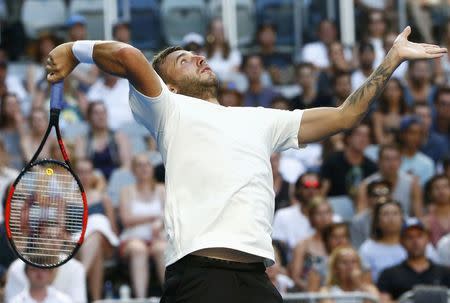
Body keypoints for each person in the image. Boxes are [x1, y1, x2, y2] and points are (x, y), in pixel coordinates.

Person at [46, 26, 446, 303]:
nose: (198, 58)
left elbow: (345, 116)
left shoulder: (262, 118)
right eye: (184, 60)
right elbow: (127, 56)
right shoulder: (166, 109)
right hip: (199, 276)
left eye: (195, 54)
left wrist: (392, 59)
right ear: (168, 84)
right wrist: (73, 50)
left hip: (257, 280)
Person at [119, 154, 166, 298]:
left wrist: (160, 222)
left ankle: (171, 297)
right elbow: (126, 219)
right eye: (139, 165)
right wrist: (154, 217)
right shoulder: (126, 191)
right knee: (139, 249)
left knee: (162, 249)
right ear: (133, 170)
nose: (144, 168)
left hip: (158, 239)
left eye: (147, 164)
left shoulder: (162, 189)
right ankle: (141, 298)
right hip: (132, 238)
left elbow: (169, 216)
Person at [76, 158, 119, 301]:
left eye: (88, 172)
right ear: (75, 173)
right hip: (76, 247)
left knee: (97, 231)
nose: (85, 176)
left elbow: (112, 230)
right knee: (96, 251)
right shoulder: (67, 198)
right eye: (81, 172)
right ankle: (96, 299)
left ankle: (78, 277)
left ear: (93, 174)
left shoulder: (103, 198)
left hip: (106, 244)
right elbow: (64, 228)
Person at [377, 218, 450, 302]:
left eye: (419, 236)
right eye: (409, 237)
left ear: (427, 239)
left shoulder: (445, 273)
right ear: (401, 241)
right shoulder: (389, 274)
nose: (415, 241)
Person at [356, 144, 423, 217]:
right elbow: (361, 216)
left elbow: (418, 215)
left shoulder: (413, 183)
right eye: (387, 159)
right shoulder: (365, 185)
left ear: (401, 162)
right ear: (378, 162)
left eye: (395, 159)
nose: (392, 163)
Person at [75, 101, 131, 180]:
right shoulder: (82, 139)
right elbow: (80, 166)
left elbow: (126, 165)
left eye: (103, 112)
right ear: (89, 117)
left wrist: (116, 179)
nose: (101, 116)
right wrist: (95, 178)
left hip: (115, 180)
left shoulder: (119, 137)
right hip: (91, 180)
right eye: (96, 113)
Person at [321, 123, 377, 198]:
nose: (363, 139)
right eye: (359, 134)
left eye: (367, 136)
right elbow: (322, 191)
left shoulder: (372, 167)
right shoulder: (333, 161)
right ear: (349, 138)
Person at [290, 197, 334, 290]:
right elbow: (295, 278)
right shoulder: (302, 245)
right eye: (319, 214)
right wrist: (314, 292)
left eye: (327, 212)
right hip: (309, 294)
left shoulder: (340, 242)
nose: (324, 217)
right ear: (311, 217)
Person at [272, 172, 319, 252]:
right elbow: (277, 247)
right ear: (298, 189)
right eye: (307, 186)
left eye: (316, 186)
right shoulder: (282, 215)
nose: (312, 191)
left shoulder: (333, 218)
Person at [5, 259, 87, 303]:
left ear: (51, 274)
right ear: (26, 273)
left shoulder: (64, 300)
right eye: (34, 269)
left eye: (44, 270)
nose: (39, 274)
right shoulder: (15, 301)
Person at [351, 180, 392, 248]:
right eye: (376, 195)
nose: (382, 198)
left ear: (391, 196)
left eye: (385, 193)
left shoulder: (400, 217)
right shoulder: (358, 221)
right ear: (369, 198)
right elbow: (357, 247)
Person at [398, 115, 435, 185]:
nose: (415, 137)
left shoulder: (427, 163)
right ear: (402, 134)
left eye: (419, 133)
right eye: (411, 133)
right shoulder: (391, 158)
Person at [371, 78, 409, 145]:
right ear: (384, 93)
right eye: (388, 89)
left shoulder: (407, 113)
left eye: (395, 89)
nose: (392, 92)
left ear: (401, 92)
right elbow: (380, 141)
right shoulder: (378, 115)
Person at [423, 174, 450, 246]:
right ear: (431, 192)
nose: (441, 191)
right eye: (437, 188)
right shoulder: (427, 221)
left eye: (445, 187)